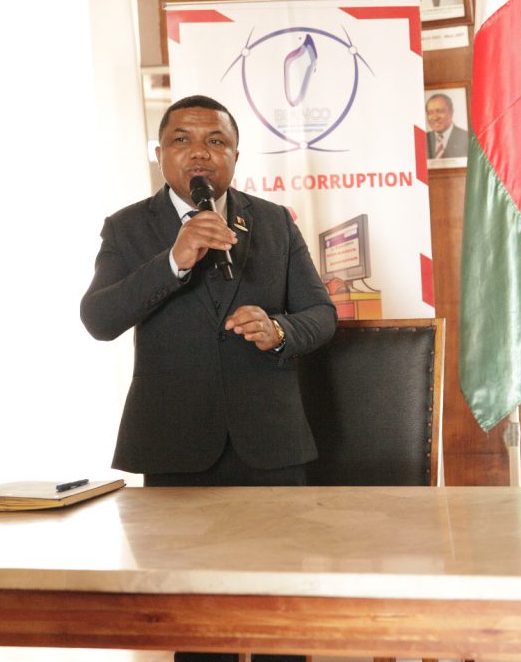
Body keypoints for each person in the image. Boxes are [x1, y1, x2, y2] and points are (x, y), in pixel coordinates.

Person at [82, 96, 335, 661]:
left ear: (236, 155)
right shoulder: (127, 228)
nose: (199, 152)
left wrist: (279, 330)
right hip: (176, 445)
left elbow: (321, 314)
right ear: (160, 154)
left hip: (271, 445)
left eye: (216, 141)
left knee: (281, 619)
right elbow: (99, 319)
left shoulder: (273, 221)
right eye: (182, 140)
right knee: (198, 627)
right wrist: (173, 260)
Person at [425, 93, 467, 160]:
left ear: (451, 112)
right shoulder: (423, 140)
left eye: (440, 111)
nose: (435, 118)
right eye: (430, 113)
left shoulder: (466, 138)